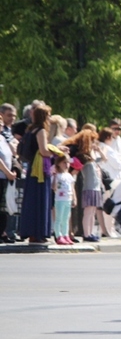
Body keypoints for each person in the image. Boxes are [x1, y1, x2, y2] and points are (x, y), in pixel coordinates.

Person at [18, 104, 55, 245]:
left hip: (32, 168)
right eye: (49, 115)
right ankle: (38, 232)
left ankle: (30, 232)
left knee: (31, 200)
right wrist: (58, 151)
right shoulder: (41, 131)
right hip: (39, 169)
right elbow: (44, 151)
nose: (50, 118)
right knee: (40, 200)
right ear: (44, 117)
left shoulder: (29, 130)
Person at [51, 152, 77, 245]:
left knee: (66, 219)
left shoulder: (69, 176)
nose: (66, 165)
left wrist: (74, 198)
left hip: (68, 199)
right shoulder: (57, 176)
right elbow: (54, 187)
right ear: (58, 163)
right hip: (60, 199)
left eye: (68, 162)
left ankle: (66, 235)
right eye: (64, 163)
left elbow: (72, 187)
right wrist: (54, 176)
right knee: (59, 218)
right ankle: (58, 236)